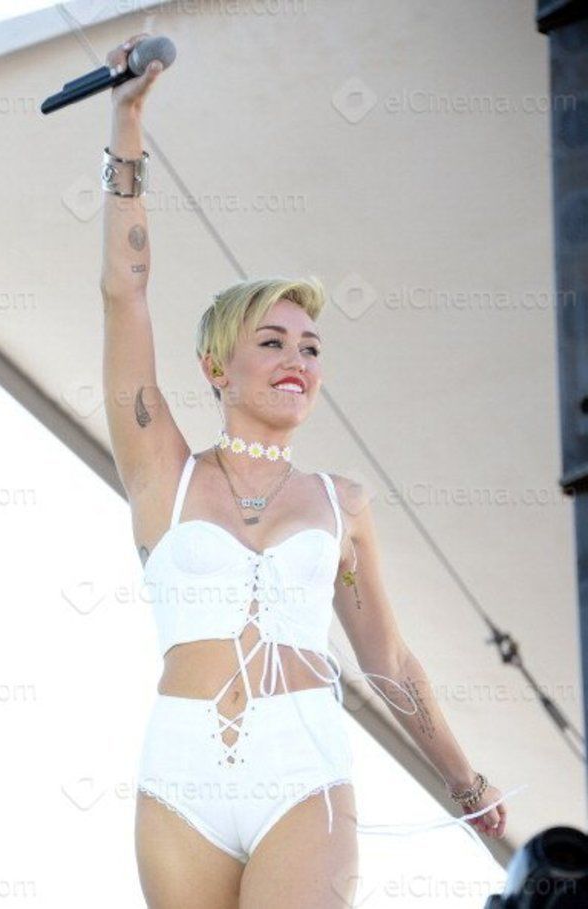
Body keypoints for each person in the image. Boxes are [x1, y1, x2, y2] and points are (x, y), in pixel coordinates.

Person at [100, 34, 518, 909]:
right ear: (218, 365)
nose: (298, 359)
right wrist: (126, 123)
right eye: (273, 341)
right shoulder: (163, 472)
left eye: (312, 346)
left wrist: (464, 779)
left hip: (302, 774)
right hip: (181, 777)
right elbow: (124, 293)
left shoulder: (341, 503)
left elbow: (388, 657)